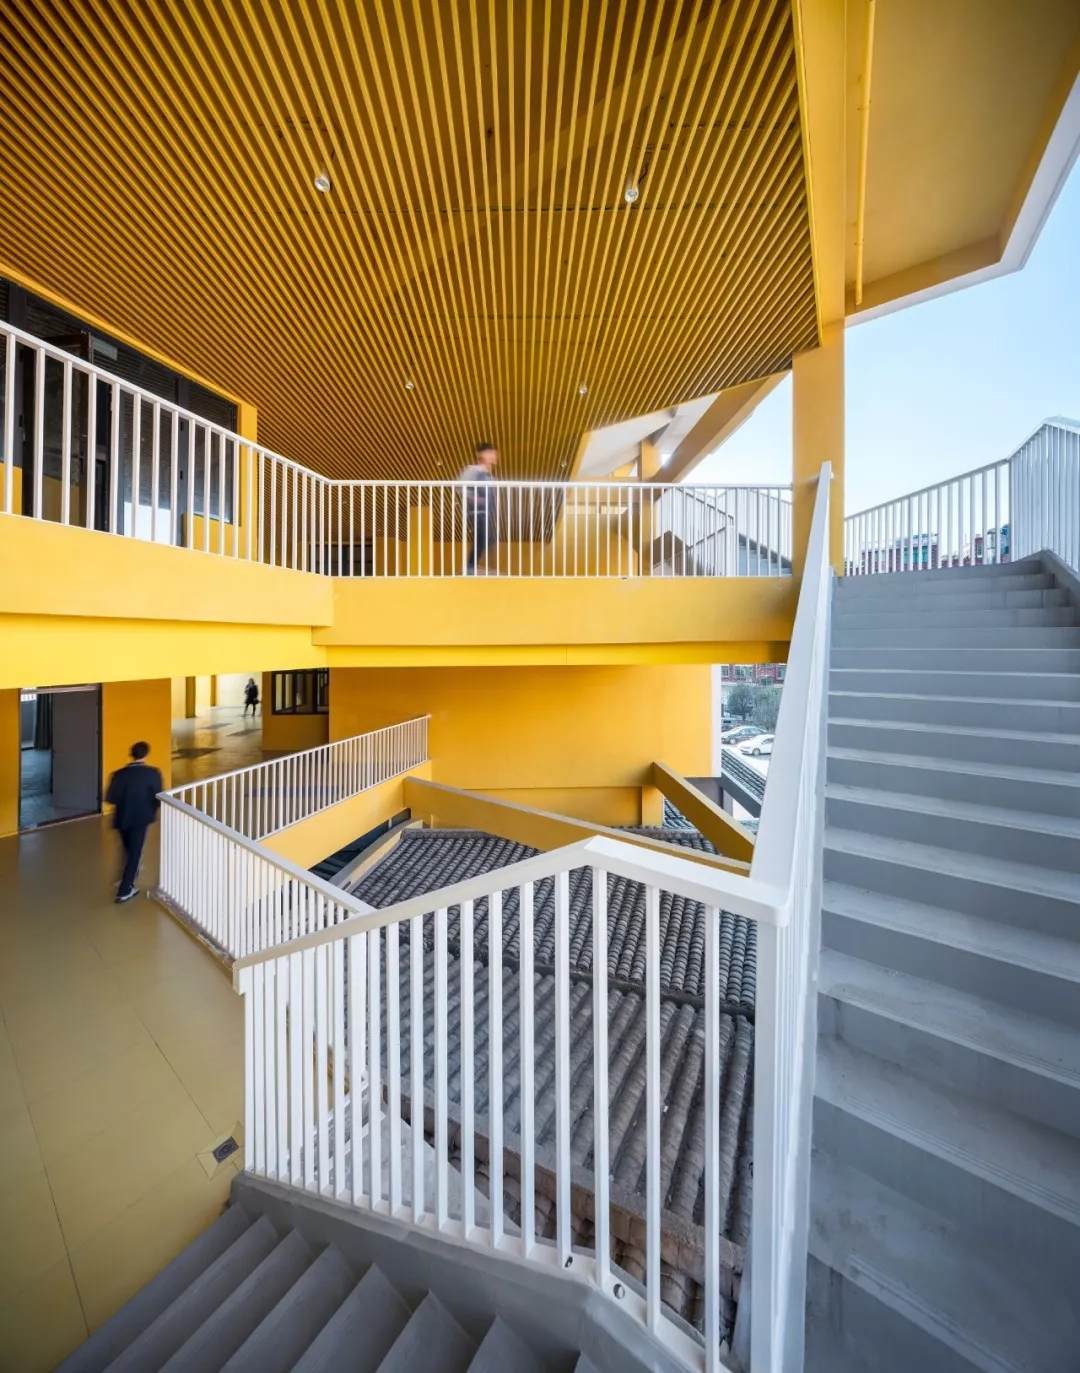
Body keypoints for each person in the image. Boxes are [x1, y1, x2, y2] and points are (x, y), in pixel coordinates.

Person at [105, 741, 163, 903]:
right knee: (134, 854)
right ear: (146, 754)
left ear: (132, 754)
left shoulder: (118, 774)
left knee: (128, 851)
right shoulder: (152, 773)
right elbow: (158, 796)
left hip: (122, 818)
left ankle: (129, 875)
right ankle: (125, 890)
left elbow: (111, 798)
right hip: (141, 818)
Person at [459, 441, 498, 574]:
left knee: (489, 538)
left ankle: (474, 566)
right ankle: (470, 567)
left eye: (493, 454)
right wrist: (473, 498)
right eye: (490, 453)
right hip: (476, 510)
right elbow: (461, 487)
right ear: (481, 455)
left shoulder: (490, 476)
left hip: (487, 512)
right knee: (482, 537)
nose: (493, 456)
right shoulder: (473, 470)